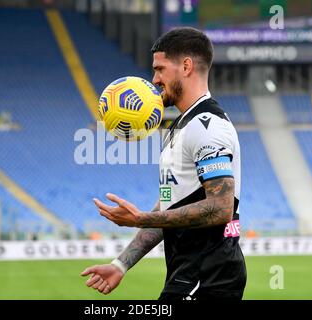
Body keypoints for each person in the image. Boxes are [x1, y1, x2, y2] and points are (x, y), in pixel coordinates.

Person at [81, 27, 247, 300]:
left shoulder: (207, 126)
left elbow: (221, 207)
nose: (155, 79)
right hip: (189, 274)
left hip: (209, 277)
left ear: (186, 66)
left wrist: (140, 218)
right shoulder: (180, 127)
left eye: (160, 69)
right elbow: (172, 208)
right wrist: (121, 264)